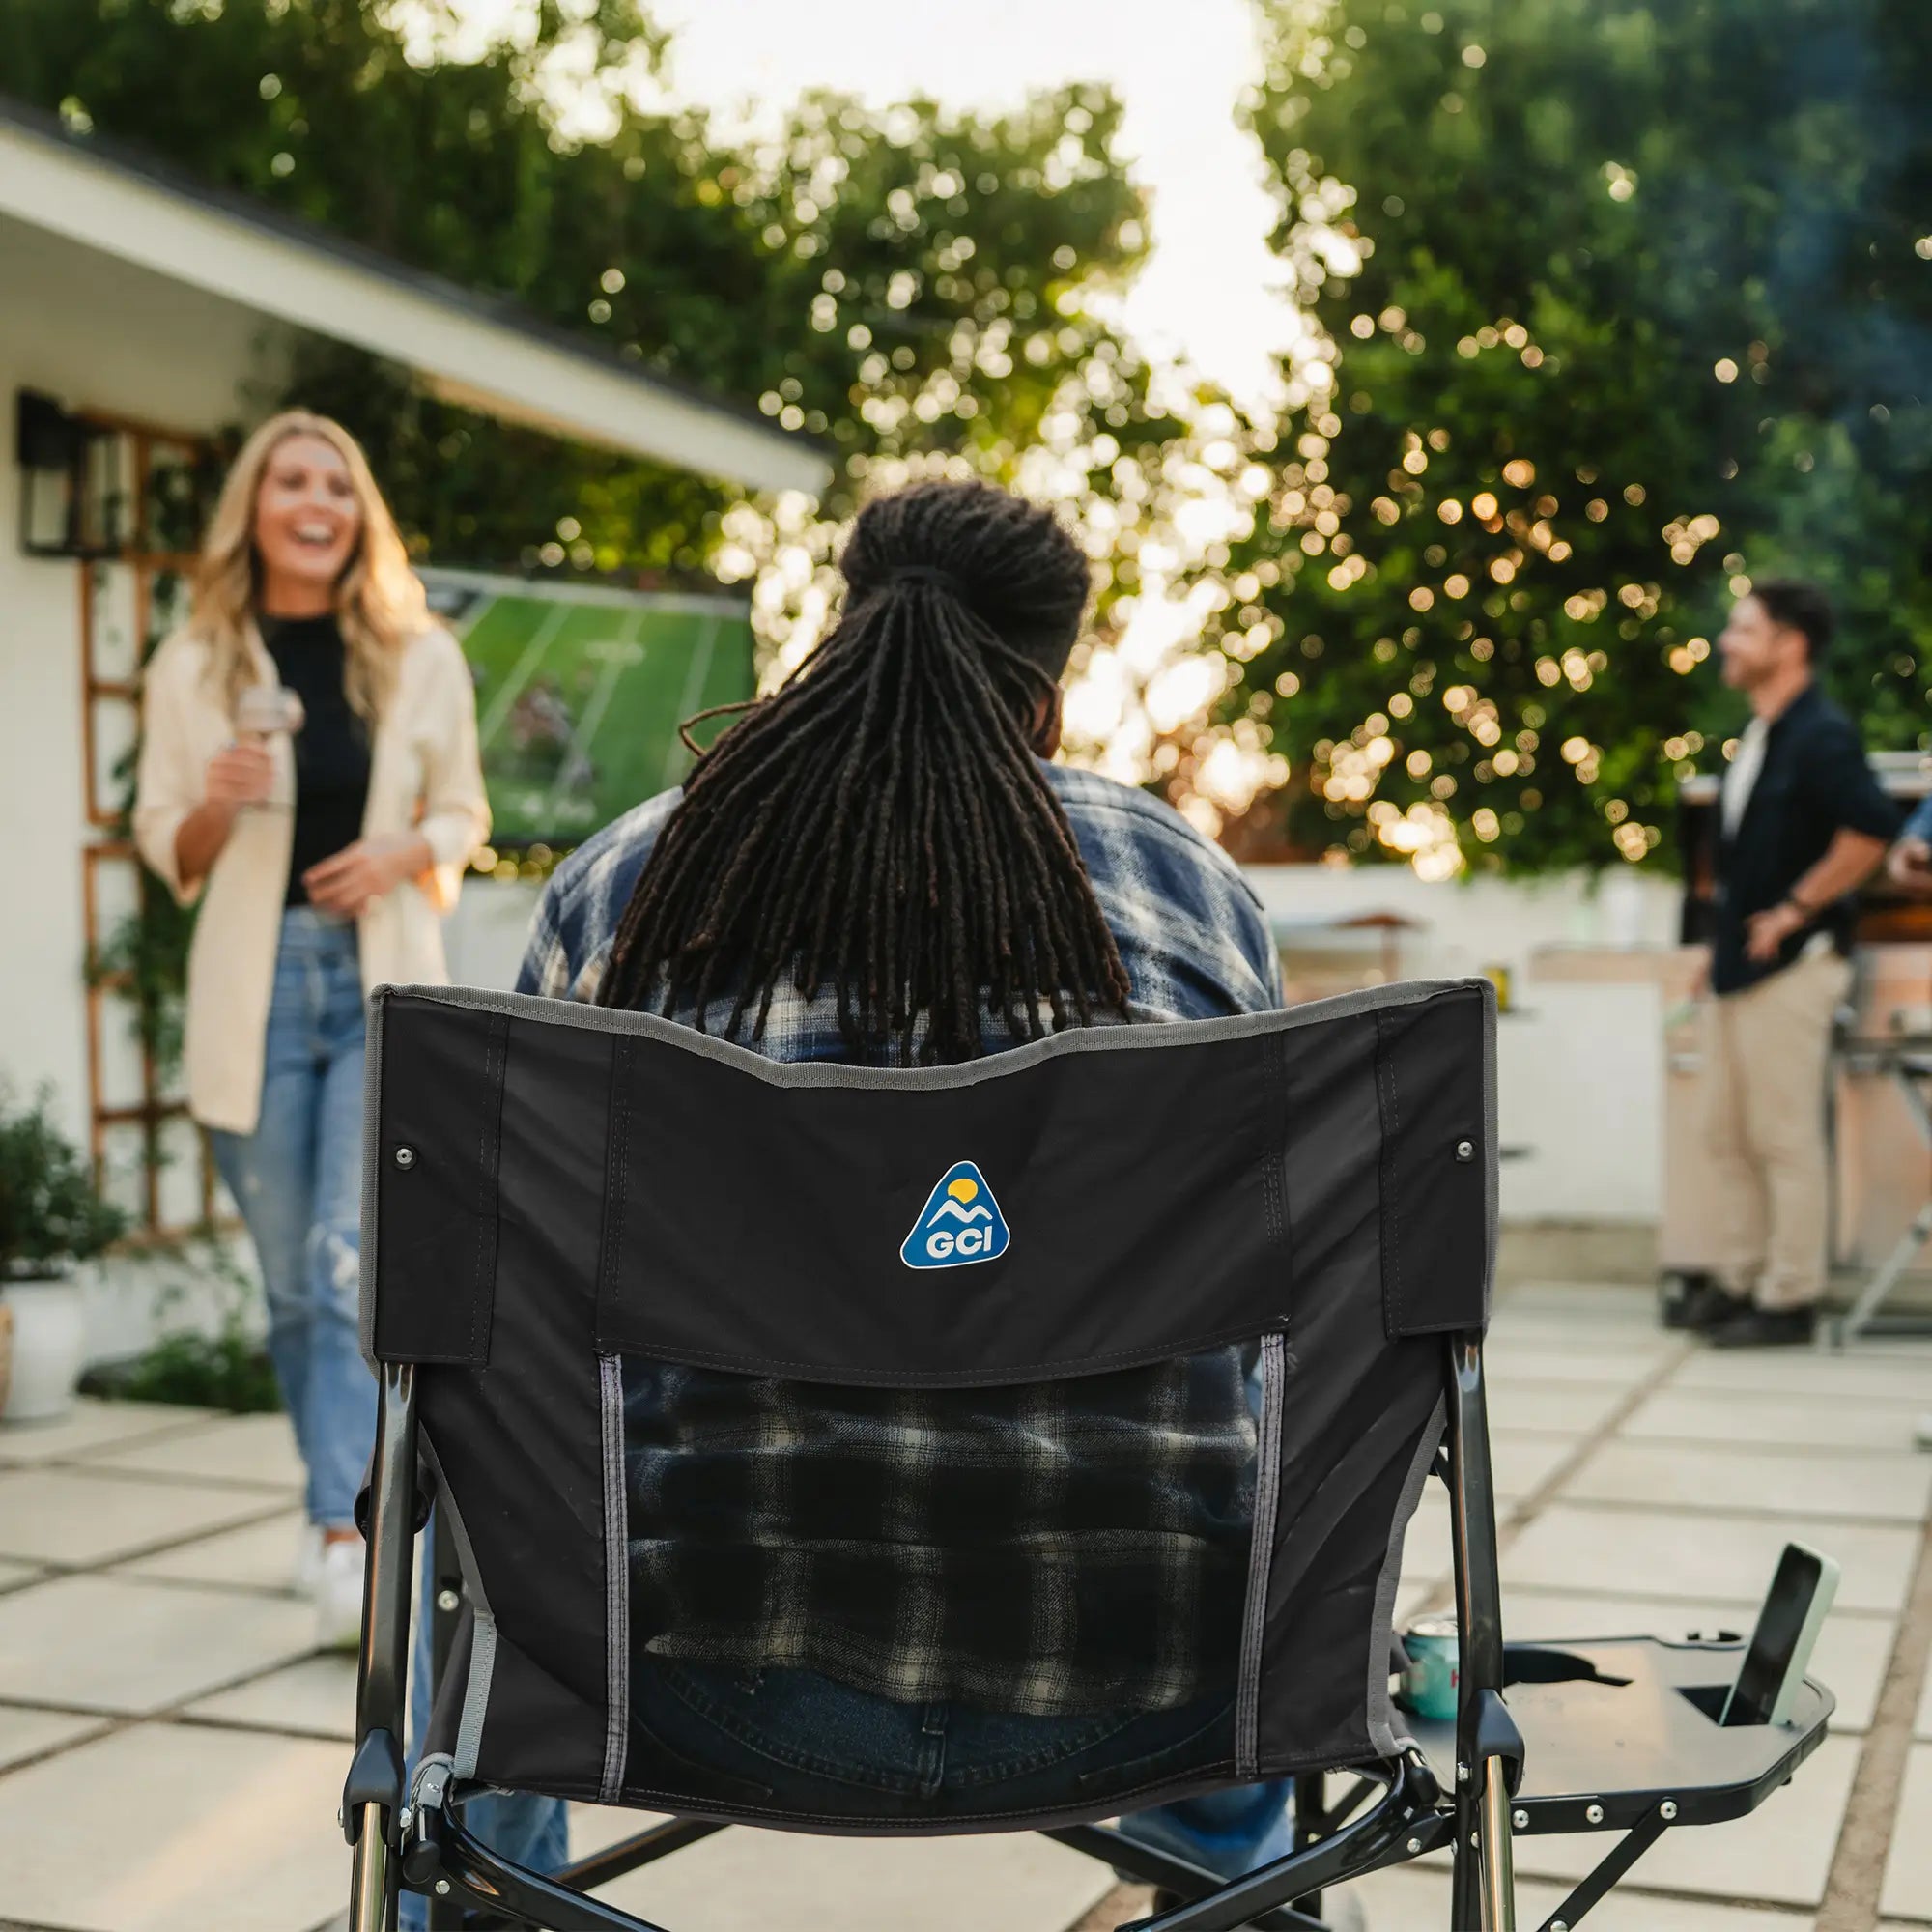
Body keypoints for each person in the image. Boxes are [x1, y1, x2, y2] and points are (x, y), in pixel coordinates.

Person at [472, 479, 1315, 1907]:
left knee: (472, 1480)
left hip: (691, 1669)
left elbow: (513, 1312)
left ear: (838, 635)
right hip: (1155, 1681)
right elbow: (1261, 1311)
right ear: (1049, 694)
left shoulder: (626, 886)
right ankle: (1229, 1892)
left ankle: (489, 1904)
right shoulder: (1193, 892)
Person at [133, 410, 489, 1644]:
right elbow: (164, 846)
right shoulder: (194, 663)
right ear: (256, 505)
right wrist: (220, 802)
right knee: (292, 1284)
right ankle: (320, 1503)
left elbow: (463, 812)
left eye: (335, 483)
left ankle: (352, 1531)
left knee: (349, 1260)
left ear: (358, 513)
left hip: (379, 974)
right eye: (291, 480)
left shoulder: (418, 654)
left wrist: (401, 849)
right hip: (259, 987)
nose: (315, 500)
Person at [1679, 580, 1899, 1348]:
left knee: (1781, 1137)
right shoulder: (1764, 735)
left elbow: (1872, 830)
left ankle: (1790, 1298)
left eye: (1744, 629)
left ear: (1790, 644)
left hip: (1796, 969)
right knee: (1725, 1134)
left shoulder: (1822, 736)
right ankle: (1741, 1280)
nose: (1727, 643)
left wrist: (1799, 909)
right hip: (1742, 971)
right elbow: (1745, 868)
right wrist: (1716, 952)